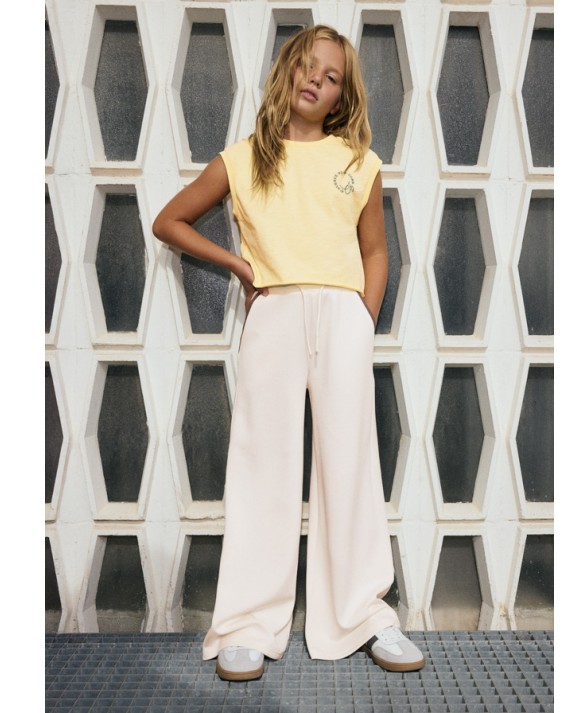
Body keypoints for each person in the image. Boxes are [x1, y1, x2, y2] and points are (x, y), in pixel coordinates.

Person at [153, 24, 425, 682]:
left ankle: (364, 614)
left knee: (350, 463)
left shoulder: (359, 162)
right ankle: (247, 623)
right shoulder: (245, 158)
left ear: (341, 96)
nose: (316, 81)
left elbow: (376, 251)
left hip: (343, 316)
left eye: (332, 77)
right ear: (287, 71)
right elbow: (168, 220)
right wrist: (240, 268)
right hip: (273, 313)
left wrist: (361, 317)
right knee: (263, 464)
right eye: (308, 66)